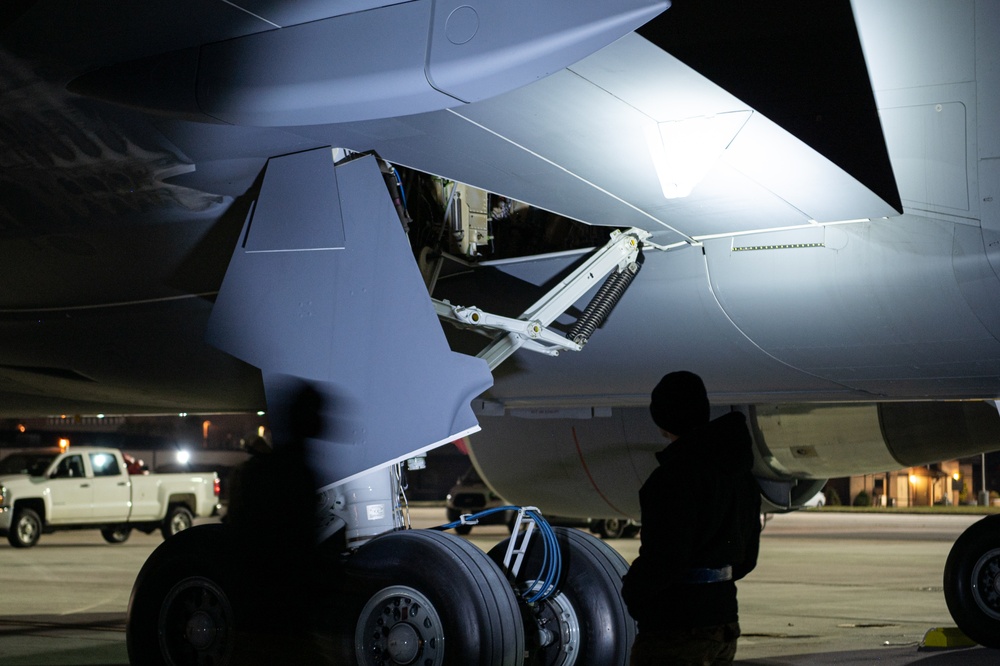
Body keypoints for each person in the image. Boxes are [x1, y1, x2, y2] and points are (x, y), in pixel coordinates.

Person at [621, 371, 761, 665]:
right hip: (723, 619)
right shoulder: (740, 473)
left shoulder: (672, 477)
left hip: (676, 627)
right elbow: (747, 557)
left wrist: (633, 592)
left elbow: (664, 559)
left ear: (661, 418)